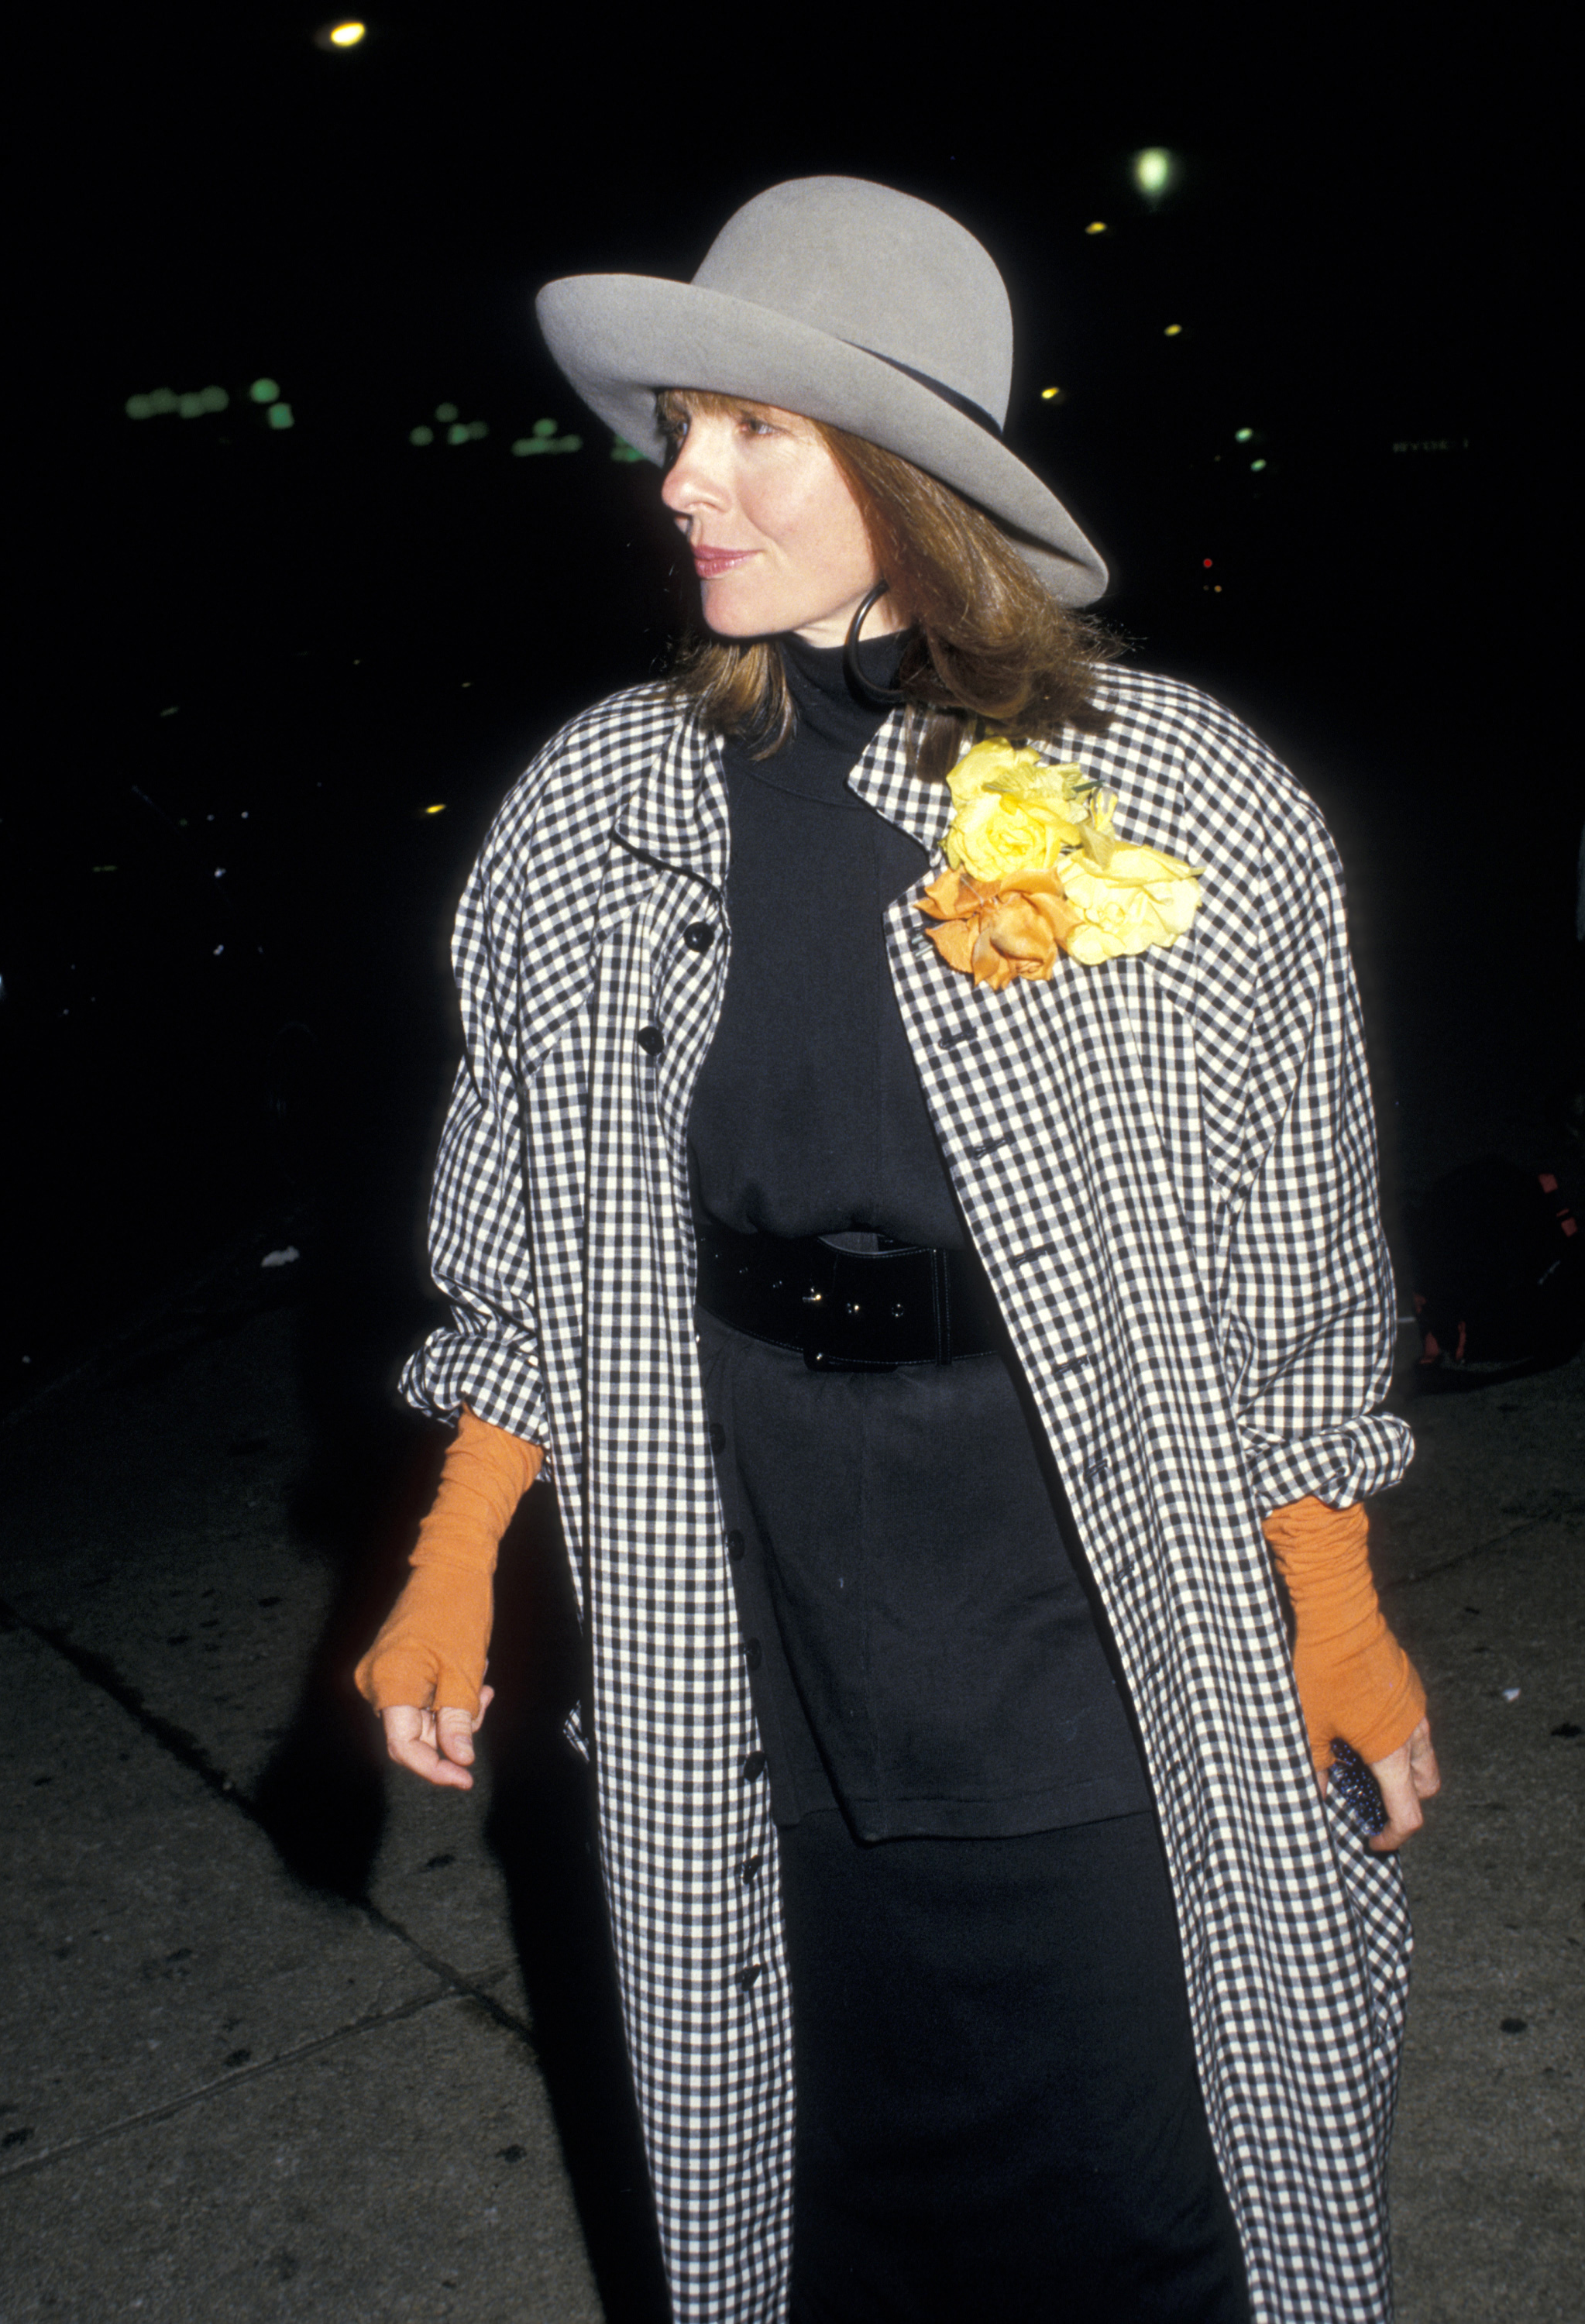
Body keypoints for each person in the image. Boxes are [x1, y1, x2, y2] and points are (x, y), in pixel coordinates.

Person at [355, 177, 1441, 2323]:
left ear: (910, 476)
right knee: (818, 2177)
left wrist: (1334, 1596)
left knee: (1139, 2185)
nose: (684, 481)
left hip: (1071, 1597)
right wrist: (462, 1539)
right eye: (680, 425)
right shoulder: (604, 806)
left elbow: (1287, 1237)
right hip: (739, 1582)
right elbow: (526, 1214)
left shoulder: (1160, 803)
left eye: (753, 430)